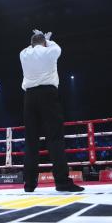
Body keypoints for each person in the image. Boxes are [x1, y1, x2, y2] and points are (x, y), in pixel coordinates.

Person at [19, 29, 84, 192]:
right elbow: (55, 48)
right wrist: (48, 41)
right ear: (44, 43)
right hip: (48, 94)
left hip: (29, 98)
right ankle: (62, 182)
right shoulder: (51, 51)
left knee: (31, 140)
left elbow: (32, 47)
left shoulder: (23, 54)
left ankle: (29, 184)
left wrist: (39, 40)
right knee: (55, 138)